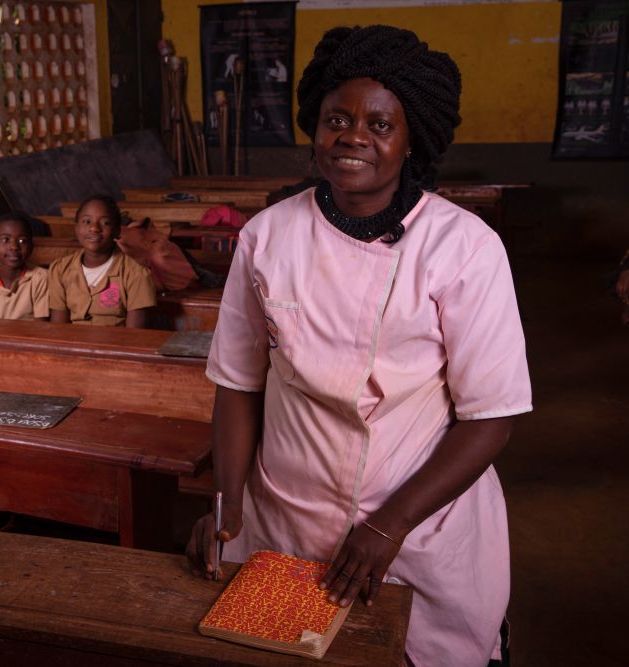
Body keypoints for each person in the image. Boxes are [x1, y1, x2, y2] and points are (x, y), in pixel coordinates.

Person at [186, 25, 531, 667]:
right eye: (336, 119)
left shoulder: (464, 248)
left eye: (379, 124)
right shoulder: (267, 237)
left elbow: (491, 420)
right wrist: (227, 506)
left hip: (420, 523)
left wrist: (386, 527)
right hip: (285, 518)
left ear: (412, 138)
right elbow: (237, 384)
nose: (353, 137)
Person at [49, 195, 156, 327]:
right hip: (72, 344)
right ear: (76, 228)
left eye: (105, 223)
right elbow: (59, 329)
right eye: (87, 221)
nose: (94, 228)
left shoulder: (136, 274)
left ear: (117, 230)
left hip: (115, 345)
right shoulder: (60, 269)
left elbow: (134, 335)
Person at [0, 212, 48, 320]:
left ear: (31, 247)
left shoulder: (41, 278)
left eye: (22, 241)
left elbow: (41, 327)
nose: (14, 247)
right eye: (5, 239)